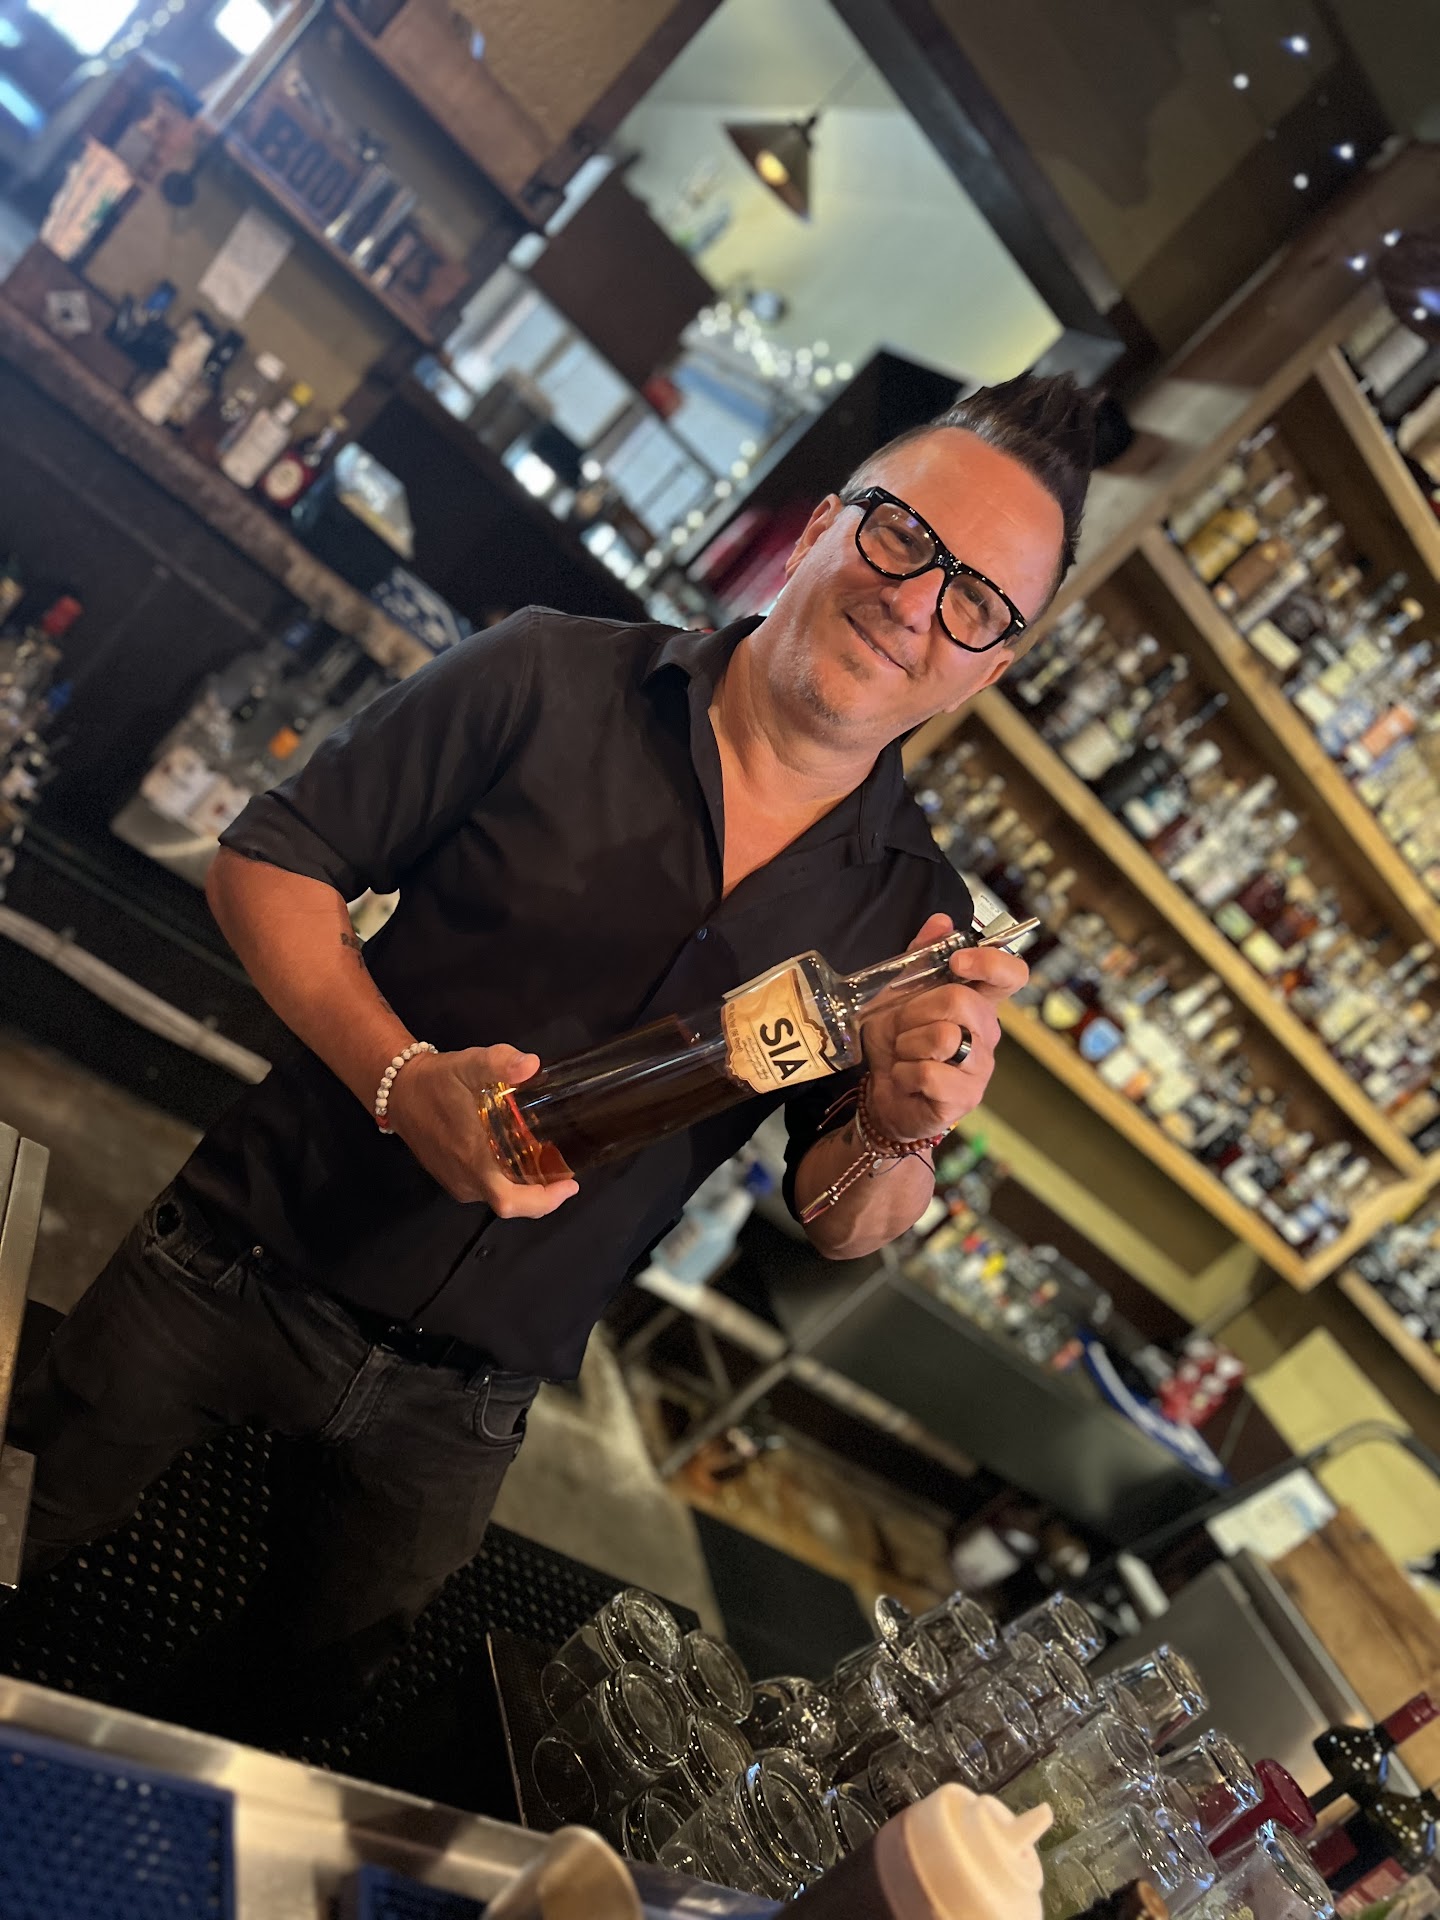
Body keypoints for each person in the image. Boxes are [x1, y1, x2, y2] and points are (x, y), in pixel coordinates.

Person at [8, 372, 1096, 1743]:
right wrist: (402, 1083)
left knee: (283, 1735)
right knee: (15, 1532)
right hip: (240, 1258)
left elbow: (842, 1220)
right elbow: (269, 862)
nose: (917, 602)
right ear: (824, 523)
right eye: (902, 537)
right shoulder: (550, 673)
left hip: (461, 1413)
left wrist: (902, 1122)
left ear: (994, 663)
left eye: (978, 601)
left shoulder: (908, 915)